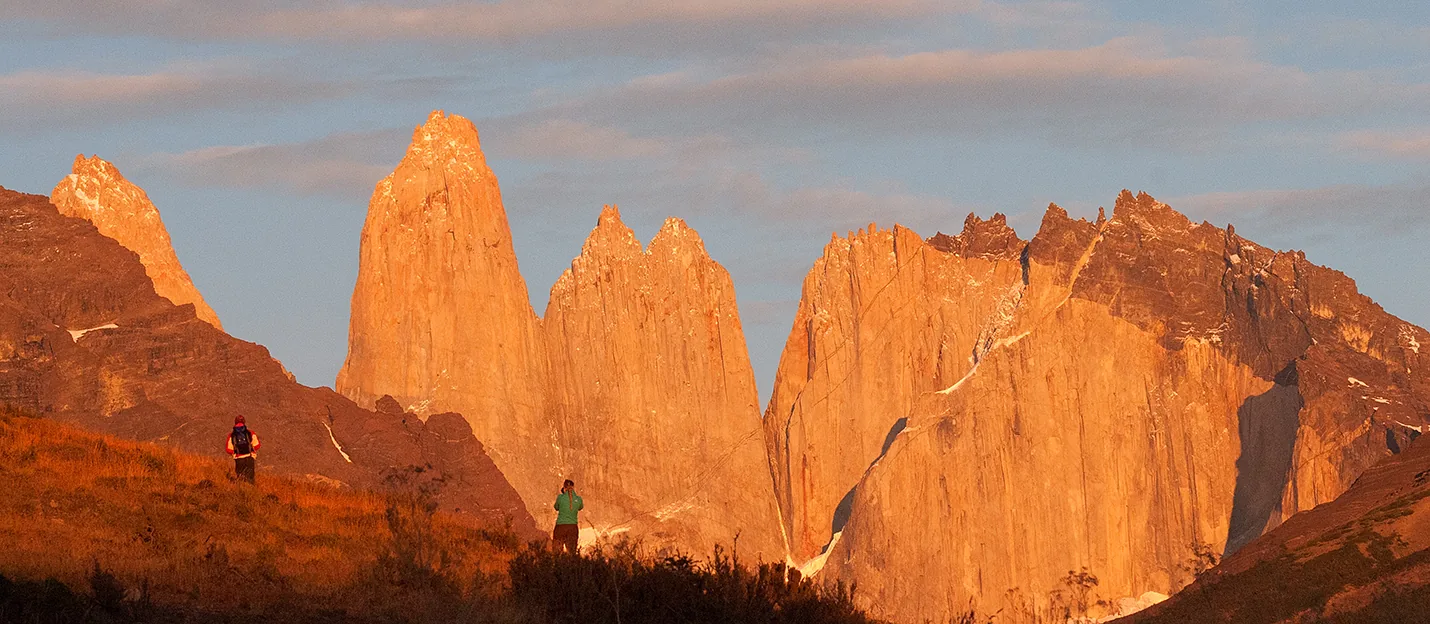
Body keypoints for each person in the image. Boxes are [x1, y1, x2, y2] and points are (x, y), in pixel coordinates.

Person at [226, 415, 261, 484]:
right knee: (250, 478)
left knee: (240, 478)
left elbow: (228, 449)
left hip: (239, 459)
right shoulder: (250, 433)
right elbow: (257, 445)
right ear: (244, 422)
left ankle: (241, 490)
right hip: (250, 457)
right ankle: (251, 491)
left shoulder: (232, 435)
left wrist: (235, 452)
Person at [552, 479, 583, 554]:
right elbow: (580, 507)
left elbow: (556, 507)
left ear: (564, 488)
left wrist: (563, 494)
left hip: (560, 527)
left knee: (557, 552)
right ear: (573, 487)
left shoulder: (560, 497)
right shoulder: (578, 499)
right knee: (572, 553)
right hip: (572, 527)